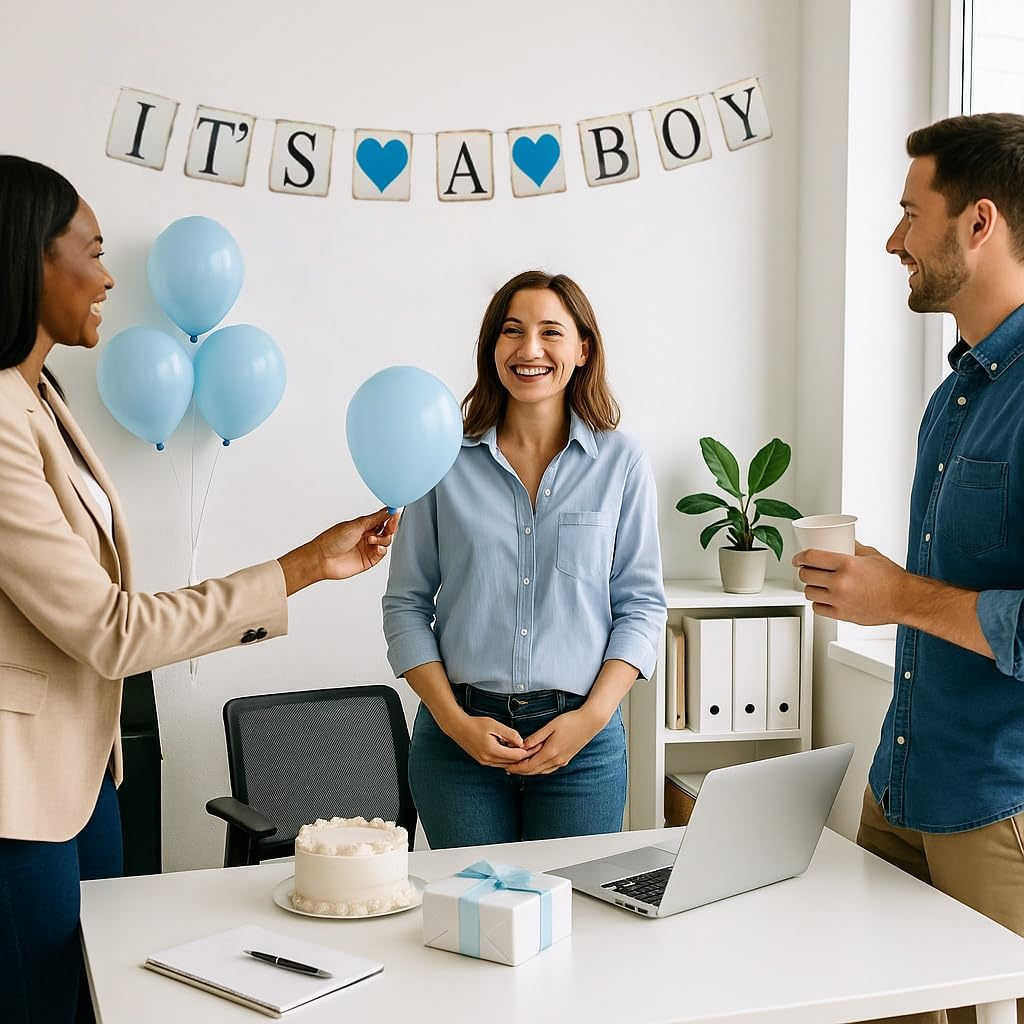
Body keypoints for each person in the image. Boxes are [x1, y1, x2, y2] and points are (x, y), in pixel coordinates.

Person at [0, 155, 399, 1024]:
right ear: (25, 258)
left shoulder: (42, 398)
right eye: (91, 251)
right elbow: (109, 630)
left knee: (91, 1001)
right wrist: (298, 569)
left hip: (79, 777)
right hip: (16, 798)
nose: (108, 276)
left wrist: (308, 565)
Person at [794, 113, 1024, 1024]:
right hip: (903, 786)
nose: (893, 240)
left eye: (907, 214)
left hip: (998, 808)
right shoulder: (959, 391)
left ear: (977, 223)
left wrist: (896, 598)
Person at [383, 270, 666, 849]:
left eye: (550, 332)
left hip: (582, 744)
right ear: (492, 348)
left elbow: (640, 608)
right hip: (457, 742)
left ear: (583, 349)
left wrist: (588, 721)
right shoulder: (442, 462)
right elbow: (406, 605)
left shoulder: (623, 463)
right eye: (512, 331)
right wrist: (456, 725)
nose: (529, 349)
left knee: (571, 920)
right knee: (472, 921)